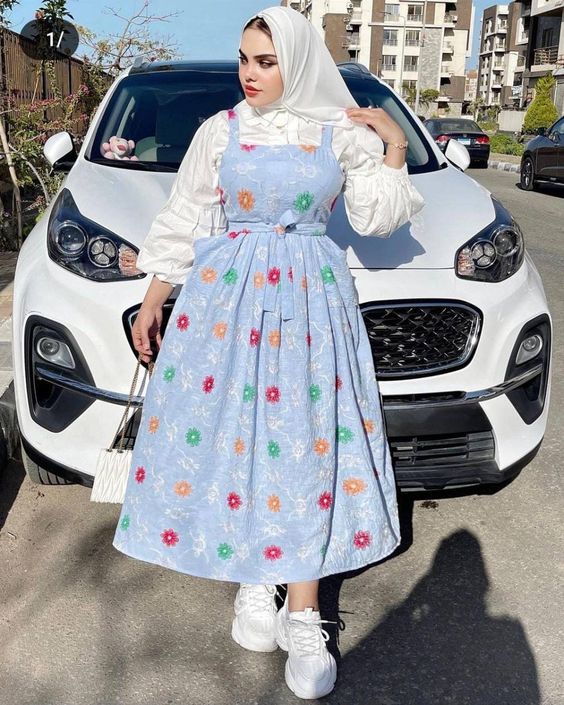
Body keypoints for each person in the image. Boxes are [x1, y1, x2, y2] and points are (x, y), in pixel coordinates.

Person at [112, 5, 425, 699]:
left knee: (307, 442)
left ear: (299, 62)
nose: (248, 74)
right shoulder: (220, 131)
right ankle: (257, 573)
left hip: (311, 304)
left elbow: (375, 217)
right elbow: (188, 215)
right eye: (244, 59)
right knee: (240, 438)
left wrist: (395, 147)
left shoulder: (336, 133)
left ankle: (304, 610)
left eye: (266, 61)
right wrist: (157, 295)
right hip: (228, 305)